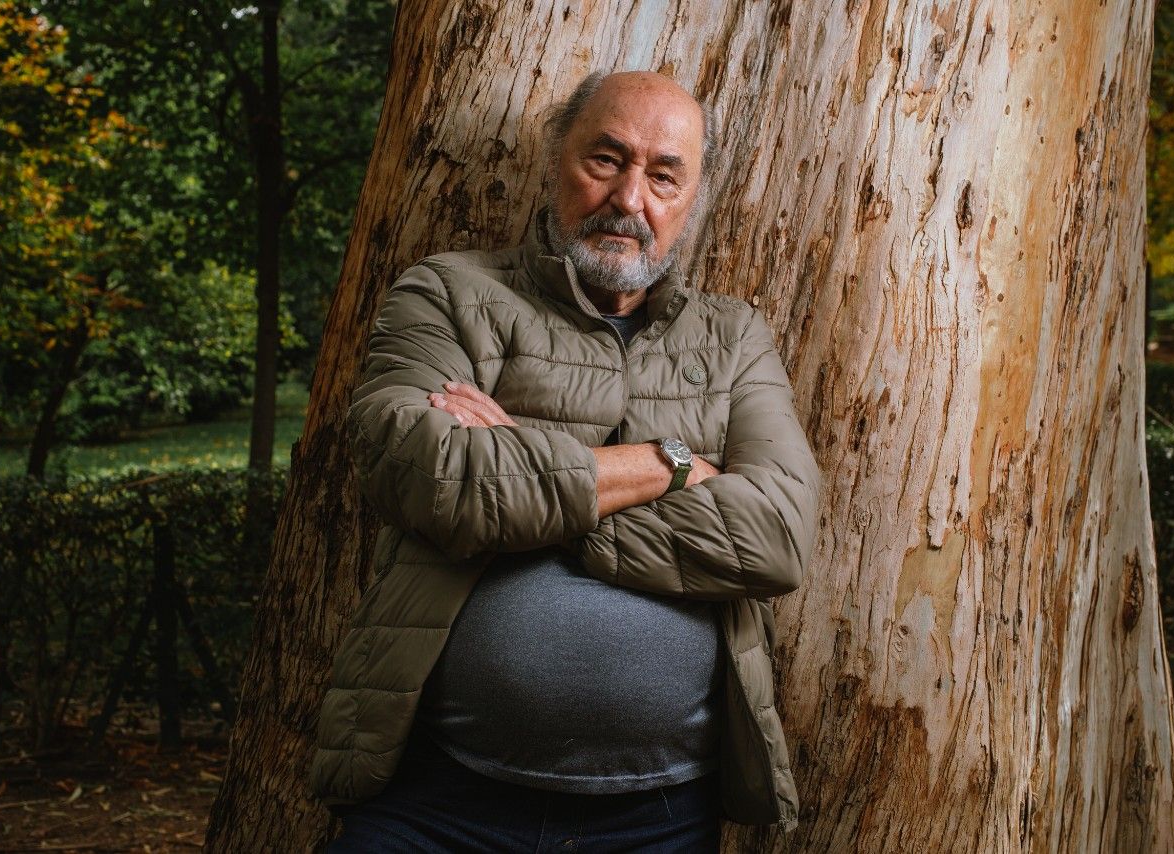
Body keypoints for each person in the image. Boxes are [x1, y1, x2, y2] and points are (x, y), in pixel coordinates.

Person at [312, 69, 822, 852]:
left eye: (662, 174)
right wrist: (669, 464)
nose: (628, 199)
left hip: (657, 818)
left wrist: (516, 467)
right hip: (435, 799)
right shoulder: (449, 292)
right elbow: (428, 480)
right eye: (606, 160)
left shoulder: (733, 339)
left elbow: (778, 537)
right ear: (557, 159)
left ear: (692, 198)